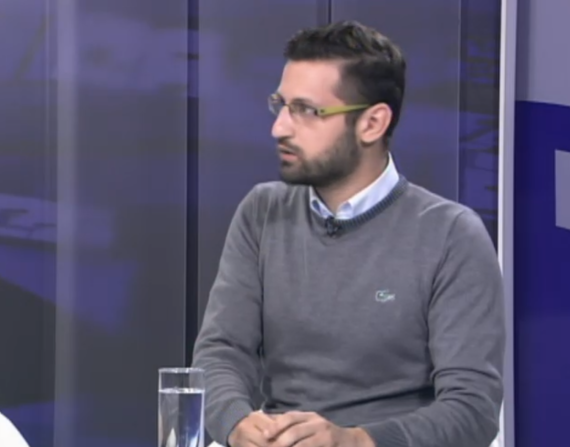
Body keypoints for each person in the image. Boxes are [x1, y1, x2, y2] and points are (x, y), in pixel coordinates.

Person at [193, 20, 505, 447]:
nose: (280, 127)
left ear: (372, 123)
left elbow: (472, 408)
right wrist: (237, 424)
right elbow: (222, 351)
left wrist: (355, 441)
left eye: (307, 110)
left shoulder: (450, 234)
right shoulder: (262, 212)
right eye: (281, 105)